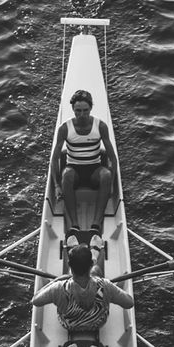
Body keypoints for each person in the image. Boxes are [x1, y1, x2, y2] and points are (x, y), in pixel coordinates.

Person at [53, 89, 119, 250]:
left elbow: (113, 158)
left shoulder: (100, 126)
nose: (81, 114)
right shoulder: (64, 129)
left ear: (90, 109)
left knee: (105, 174)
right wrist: (56, 185)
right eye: (78, 111)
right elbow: (54, 159)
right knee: (66, 174)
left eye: (85, 110)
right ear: (73, 110)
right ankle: (74, 226)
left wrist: (112, 184)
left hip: (93, 170)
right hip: (74, 170)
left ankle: (95, 225)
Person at [31, 243, 134, 347]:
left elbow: (35, 300)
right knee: (97, 271)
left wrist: (56, 281)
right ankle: (96, 253)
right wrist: (109, 288)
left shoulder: (58, 287)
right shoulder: (105, 286)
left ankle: (77, 252)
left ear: (69, 264)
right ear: (91, 264)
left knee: (89, 273)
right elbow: (129, 303)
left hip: (69, 325)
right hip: (97, 324)